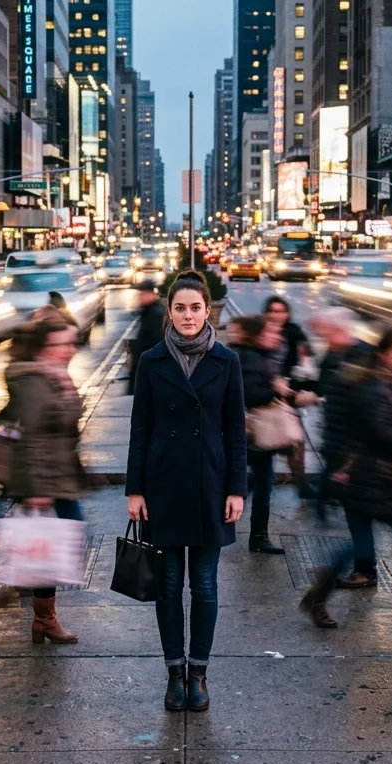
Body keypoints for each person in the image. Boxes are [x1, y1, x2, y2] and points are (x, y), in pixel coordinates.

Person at [127, 270, 247, 712]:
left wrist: (238, 489)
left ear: (208, 310)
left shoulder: (226, 361)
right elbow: (140, 429)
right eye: (180, 308)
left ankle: (199, 674)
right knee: (169, 584)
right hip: (163, 488)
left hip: (211, 487)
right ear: (169, 312)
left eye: (196, 307)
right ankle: (174, 674)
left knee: (206, 585)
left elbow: (236, 432)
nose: (189, 315)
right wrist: (134, 490)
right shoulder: (152, 360)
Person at [299, 328, 392, 635]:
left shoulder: (380, 382)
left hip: (382, 480)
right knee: (364, 547)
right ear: (384, 352)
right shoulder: (372, 385)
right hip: (372, 478)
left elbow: (387, 418)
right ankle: (318, 596)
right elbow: (378, 430)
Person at [4, 319, 88, 645]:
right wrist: (37, 490)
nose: (69, 350)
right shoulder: (36, 381)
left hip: (58, 476)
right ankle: (44, 619)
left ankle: (43, 620)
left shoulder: (52, 376)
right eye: (61, 344)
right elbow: (34, 439)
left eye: (71, 343)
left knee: (56, 550)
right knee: (55, 550)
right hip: (45, 480)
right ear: (44, 348)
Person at [308, 307, 372, 531]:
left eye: (325, 332)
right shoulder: (334, 353)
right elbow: (324, 385)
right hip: (338, 431)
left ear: (338, 329)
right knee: (333, 471)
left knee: (344, 479)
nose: (323, 337)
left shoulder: (363, 354)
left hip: (353, 435)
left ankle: (325, 503)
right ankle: (323, 505)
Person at [232, 315, 289, 555]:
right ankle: (258, 538)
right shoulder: (250, 358)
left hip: (254, 436)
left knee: (260, 482)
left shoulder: (252, 355)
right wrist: (275, 392)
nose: (275, 336)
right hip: (252, 436)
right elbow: (250, 394)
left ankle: (258, 536)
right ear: (257, 336)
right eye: (269, 332)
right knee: (263, 483)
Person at [263, 296, 315, 498]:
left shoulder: (294, 332)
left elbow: (306, 363)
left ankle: (301, 484)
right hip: (265, 396)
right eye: (272, 311)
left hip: (288, 395)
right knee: (263, 442)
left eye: (280, 311)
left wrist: (296, 386)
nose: (276, 315)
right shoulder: (261, 331)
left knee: (296, 441)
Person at [127, 280, 166, 395]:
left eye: (143, 294)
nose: (139, 297)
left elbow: (156, 342)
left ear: (152, 294)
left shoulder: (156, 314)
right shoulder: (148, 311)